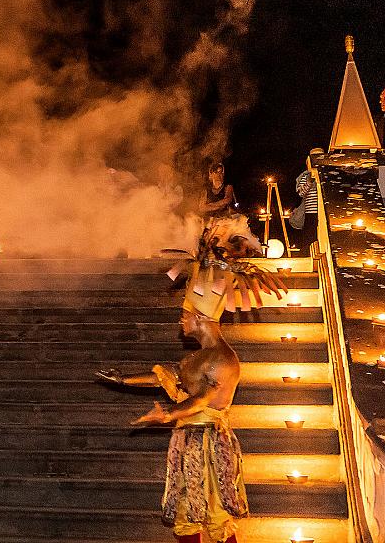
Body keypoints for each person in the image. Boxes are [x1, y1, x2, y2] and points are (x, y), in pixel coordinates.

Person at [96, 217, 286, 542]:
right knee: (186, 516)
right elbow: (168, 377)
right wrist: (125, 380)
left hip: (211, 445)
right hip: (186, 443)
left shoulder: (224, 359)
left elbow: (203, 399)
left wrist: (167, 415)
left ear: (200, 318)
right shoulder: (193, 358)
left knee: (215, 517)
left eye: (185, 315)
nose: (181, 320)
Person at [291, 148, 324, 255]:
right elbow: (301, 193)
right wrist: (309, 181)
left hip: (325, 211)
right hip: (311, 213)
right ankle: (308, 258)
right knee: (310, 239)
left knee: (323, 238)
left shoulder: (327, 173)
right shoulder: (305, 175)